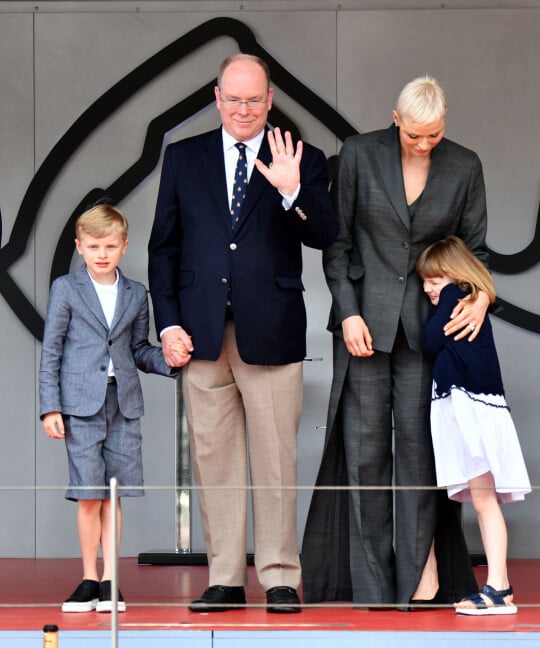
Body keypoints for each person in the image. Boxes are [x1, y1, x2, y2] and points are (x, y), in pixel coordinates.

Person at [148, 53, 337, 614]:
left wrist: (291, 191)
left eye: (254, 99)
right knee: (214, 459)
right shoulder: (184, 158)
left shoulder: (302, 157)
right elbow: (164, 248)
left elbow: (326, 233)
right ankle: (226, 577)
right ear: (216, 97)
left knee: (277, 458)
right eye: (233, 99)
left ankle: (280, 574)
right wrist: (168, 322)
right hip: (201, 334)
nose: (243, 109)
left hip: (271, 329)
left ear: (271, 100)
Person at [301, 75, 491, 608]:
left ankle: (420, 580)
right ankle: (372, 585)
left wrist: (479, 296)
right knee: (364, 457)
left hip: (429, 331)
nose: (425, 144)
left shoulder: (466, 165)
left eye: (434, 134)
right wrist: (348, 313)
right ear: (396, 118)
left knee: (419, 454)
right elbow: (336, 246)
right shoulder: (359, 155)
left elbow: (475, 251)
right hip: (363, 326)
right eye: (415, 135)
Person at [39, 205, 179, 613]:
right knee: (88, 494)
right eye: (94, 245)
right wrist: (51, 408)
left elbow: (138, 349)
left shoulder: (136, 293)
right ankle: (87, 578)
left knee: (113, 493)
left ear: (124, 246)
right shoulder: (66, 288)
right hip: (79, 404)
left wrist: (172, 362)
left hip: (124, 403)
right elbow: (51, 352)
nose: (103, 253)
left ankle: (110, 581)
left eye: (111, 246)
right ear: (80, 247)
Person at [416, 235, 531, 615]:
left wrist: (445, 304)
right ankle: (500, 585)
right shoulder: (469, 297)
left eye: (432, 280)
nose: (427, 289)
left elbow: (430, 340)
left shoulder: (454, 296)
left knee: (485, 502)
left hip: (470, 408)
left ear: (450, 274)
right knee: (485, 502)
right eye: (425, 283)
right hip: (471, 407)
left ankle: (499, 586)